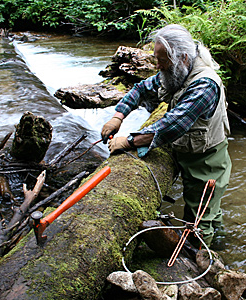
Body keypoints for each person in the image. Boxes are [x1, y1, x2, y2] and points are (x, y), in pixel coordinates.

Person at [101, 24, 231, 248]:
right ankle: (220, 243)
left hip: (206, 161)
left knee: (199, 221)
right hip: (188, 153)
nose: (157, 66)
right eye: (156, 58)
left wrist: (129, 141)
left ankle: (204, 265)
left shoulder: (204, 85)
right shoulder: (177, 70)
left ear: (182, 57)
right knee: (209, 209)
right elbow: (142, 88)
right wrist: (118, 116)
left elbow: (173, 125)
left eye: (162, 60)